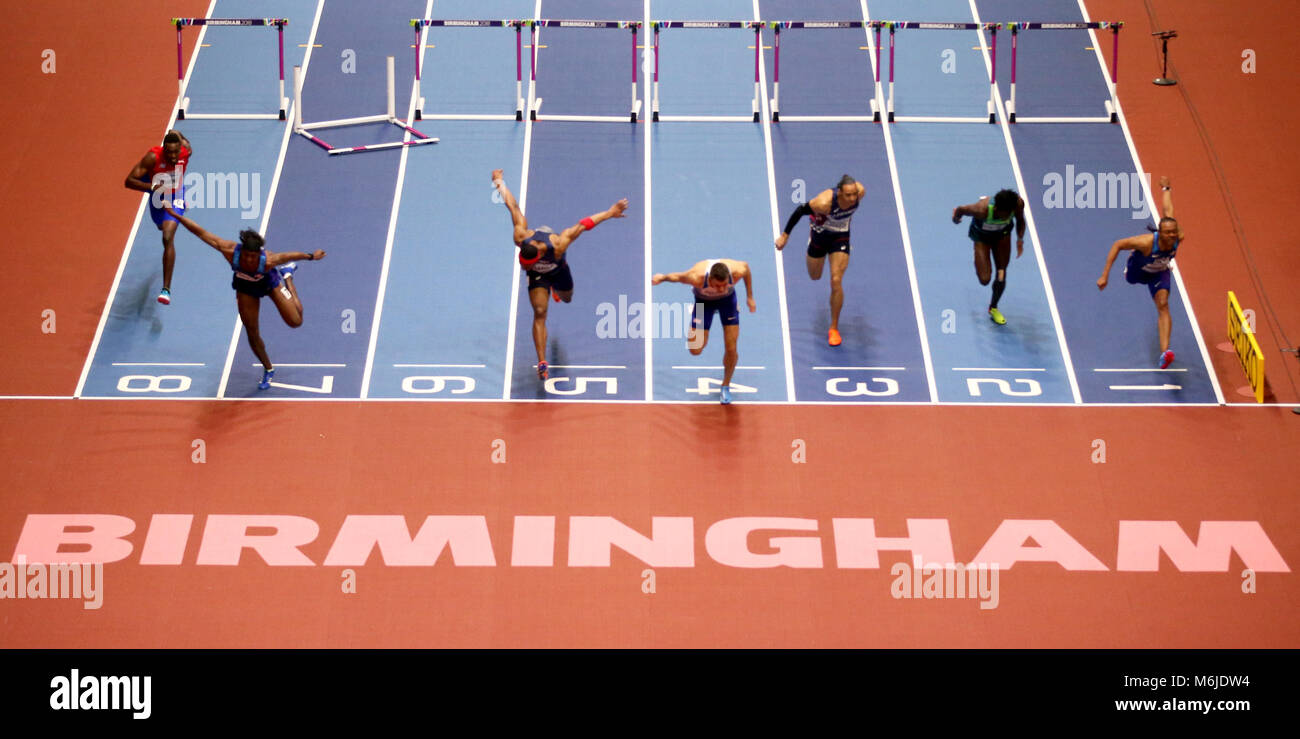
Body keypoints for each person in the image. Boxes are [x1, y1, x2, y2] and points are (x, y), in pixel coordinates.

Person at [163, 205, 325, 390]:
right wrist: (177, 216)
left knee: (296, 321)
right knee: (252, 331)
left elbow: (292, 255)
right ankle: (268, 369)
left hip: (270, 284)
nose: (249, 260)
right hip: (246, 288)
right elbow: (200, 232)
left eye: (253, 256)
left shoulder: (270, 260)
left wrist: (312, 256)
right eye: (247, 256)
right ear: (242, 251)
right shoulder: (230, 251)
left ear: (259, 254)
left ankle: (287, 276)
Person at [492, 169, 628, 380]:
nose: (524, 269)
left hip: (558, 271)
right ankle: (542, 361)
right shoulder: (520, 236)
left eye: (527, 265)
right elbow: (513, 206)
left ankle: (556, 290)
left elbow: (582, 226)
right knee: (539, 311)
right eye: (523, 266)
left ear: (537, 256)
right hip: (539, 278)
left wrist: (610, 213)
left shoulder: (558, 244)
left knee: (567, 299)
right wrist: (499, 181)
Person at [1097, 176, 1183, 369]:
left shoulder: (1178, 236)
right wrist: (1105, 275)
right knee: (1133, 278)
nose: (1172, 235)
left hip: (1159, 271)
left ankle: (1165, 353)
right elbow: (1118, 244)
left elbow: (1168, 210)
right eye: (1168, 233)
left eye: (1174, 232)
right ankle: (1164, 351)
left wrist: (1166, 188)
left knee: (1163, 304)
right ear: (1160, 233)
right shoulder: (1145, 242)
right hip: (1137, 271)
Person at [775, 175, 864, 346]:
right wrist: (785, 236)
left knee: (836, 280)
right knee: (815, 276)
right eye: (848, 195)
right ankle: (813, 242)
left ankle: (834, 328)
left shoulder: (860, 192)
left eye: (854, 194)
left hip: (840, 237)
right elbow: (800, 210)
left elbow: (856, 197)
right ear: (839, 193)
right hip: (819, 236)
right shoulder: (823, 203)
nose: (853, 199)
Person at [652, 259, 755, 404]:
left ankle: (725, 386)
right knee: (695, 349)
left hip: (727, 303)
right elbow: (677, 277)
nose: (721, 289)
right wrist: (662, 277)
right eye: (718, 286)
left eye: (725, 284)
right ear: (710, 279)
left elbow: (747, 268)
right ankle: (705, 316)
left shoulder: (737, 271)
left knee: (731, 348)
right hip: (704, 303)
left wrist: (750, 297)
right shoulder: (696, 277)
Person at [125, 130, 193, 305]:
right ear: (163, 149)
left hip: (175, 195)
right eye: (168, 152)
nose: (172, 156)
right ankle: (166, 220)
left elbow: (181, 139)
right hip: (157, 198)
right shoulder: (152, 158)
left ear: (180, 149)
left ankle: (166, 289)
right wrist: (152, 187)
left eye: (175, 152)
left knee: (167, 237)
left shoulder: (186, 152)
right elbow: (129, 181)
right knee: (161, 227)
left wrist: (178, 133)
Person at [952, 189, 1026, 325]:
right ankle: (980, 257)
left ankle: (993, 308)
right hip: (981, 237)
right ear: (996, 208)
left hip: (1002, 236)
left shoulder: (1018, 204)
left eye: (1009, 214)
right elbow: (961, 209)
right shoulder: (981, 210)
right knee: (985, 279)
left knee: (1001, 274)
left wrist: (1020, 240)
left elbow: (1021, 220)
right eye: (1004, 214)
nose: (1007, 216)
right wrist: (956, 218)